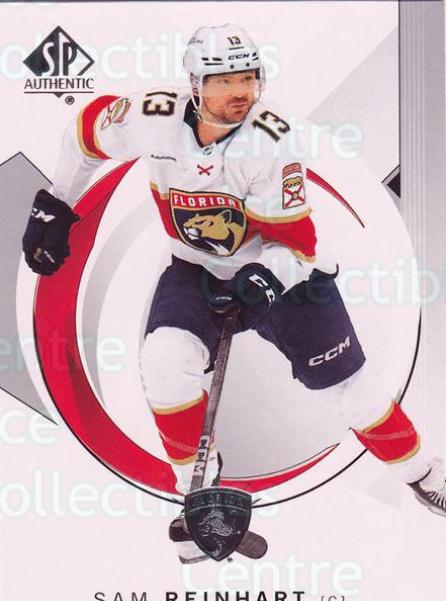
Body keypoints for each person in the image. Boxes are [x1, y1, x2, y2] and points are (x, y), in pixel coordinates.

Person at [22, 24, 446, 563]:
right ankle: (200, 498)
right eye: (225, 80)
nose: (241, 91)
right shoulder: (151, 118)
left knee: (351, 390)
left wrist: (261, 281)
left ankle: (424, 474)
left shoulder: (272, 140)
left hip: (286, 275)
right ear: (195, 85)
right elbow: (85, 132)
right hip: (195, 269)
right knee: (164, 363)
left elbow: (297, 246)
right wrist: (58, 202)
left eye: (248, 77)